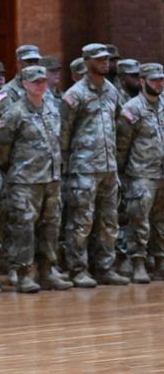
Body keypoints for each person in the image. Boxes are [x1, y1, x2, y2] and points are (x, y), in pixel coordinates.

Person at [0, 66, 72, 292]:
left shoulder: (54, 108)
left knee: (51, 226)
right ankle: (24, 273)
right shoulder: (14, 113)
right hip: (25, 181)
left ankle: (46, 271)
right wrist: (14, 170)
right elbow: (1, 148)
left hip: (52, 178)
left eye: (43, 81)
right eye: (35, 82)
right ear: (25, 84)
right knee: (23, 228)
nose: (40, 85)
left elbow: (61, 140)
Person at [59, 43, 129, 287]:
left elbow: (118, 124)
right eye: (99, 59)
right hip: (83, 168)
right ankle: (78, 269)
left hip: (108, 168)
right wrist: (67, 167)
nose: (105, 63)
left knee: (109, 221)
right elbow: (64, 133)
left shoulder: (111, 91)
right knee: (81, 222)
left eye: (107, 59)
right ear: (86, 62)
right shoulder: (74, 95)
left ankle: (105, 268)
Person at [116, 62, 164, 283]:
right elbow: (123, 144)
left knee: (160, 221)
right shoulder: (131, 109)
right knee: (139, 220)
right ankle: (138, 262)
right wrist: (125, 174)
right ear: (143, 82)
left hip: (161, 172)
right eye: (154, 80)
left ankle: (160, 260)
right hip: (141, 173)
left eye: (161, 79)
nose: (159, 84)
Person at [0, 45, 42, 115]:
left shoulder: (43, 89)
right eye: (29, 61)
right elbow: (9, 121)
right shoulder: (7, 92)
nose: (33, 65)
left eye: (36, 61)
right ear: (19, 63)